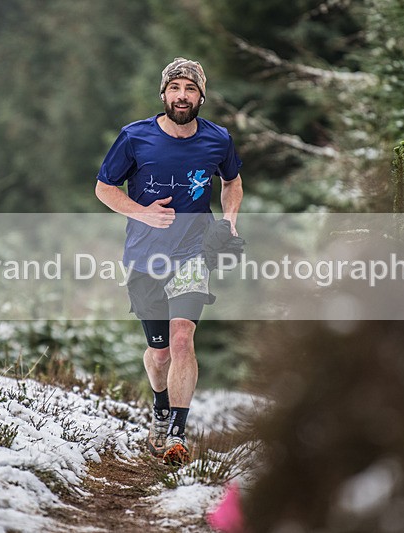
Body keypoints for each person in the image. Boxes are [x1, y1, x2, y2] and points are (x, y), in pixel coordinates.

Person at [95, 57, 244, 465]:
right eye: (175, 88)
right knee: (159, 352)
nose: (182, 96)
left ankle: (176, 433)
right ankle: (160, 405)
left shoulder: (218, 139)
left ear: (201, 96)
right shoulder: (134, 137)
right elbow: (104, 188)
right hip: (145, 258)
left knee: (182, 338)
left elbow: (232, 181)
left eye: (190, 89)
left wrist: (229, 219)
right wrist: (143, 212)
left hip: (194, 253)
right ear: (164, 94)